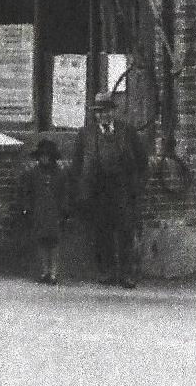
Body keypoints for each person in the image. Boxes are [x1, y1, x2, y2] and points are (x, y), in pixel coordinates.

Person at [73, 91, 148, 287]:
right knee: (102, 231)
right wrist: (82, 190)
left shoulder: (127, 131)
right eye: (99, 112)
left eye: (106, 111)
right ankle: (106, 271)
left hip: (121, 188)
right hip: (98, 190)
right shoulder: (85, 134)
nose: (103, 115)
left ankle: (126, 274)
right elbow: (77, 165)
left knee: (125, 231)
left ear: (113, 112)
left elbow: (142, 162)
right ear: (95, 115)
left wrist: (137, 186)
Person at [15, 139, 70, 285]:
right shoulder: (33, 173)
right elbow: (27, 192)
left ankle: (53, 273)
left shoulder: (60, 174)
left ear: (52, 157)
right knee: (41, 241)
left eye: (47, 156)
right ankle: (44, 271)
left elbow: (65, 193)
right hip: (39, 211)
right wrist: (27, 208)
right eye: (41, 156)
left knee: (54, 242)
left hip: (55, 212)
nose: (44, 158)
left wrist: (64, 210)